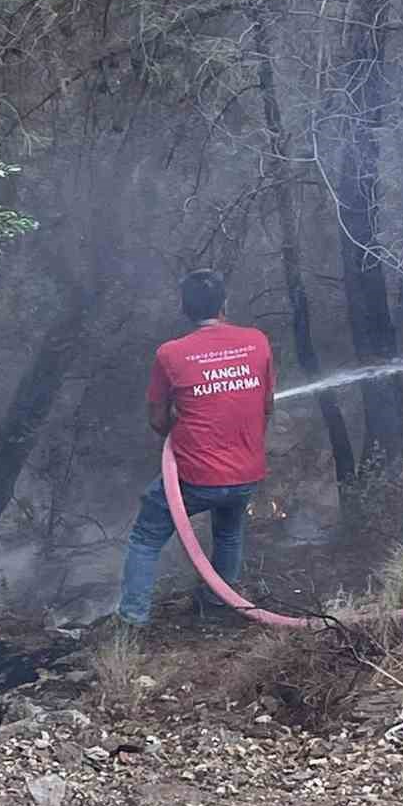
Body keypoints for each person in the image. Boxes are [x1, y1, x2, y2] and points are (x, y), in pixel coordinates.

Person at [115, 269, 275, 628]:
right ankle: (220, 606)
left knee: (146, 537)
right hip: (246, 471)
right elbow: (266, 405)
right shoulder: (257, 341)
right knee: (230, 532)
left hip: (194, 476)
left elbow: (157, 420)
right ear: (224, 304)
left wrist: (183, 424)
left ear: (184, 309)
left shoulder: (171, 354)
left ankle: (132, 618)